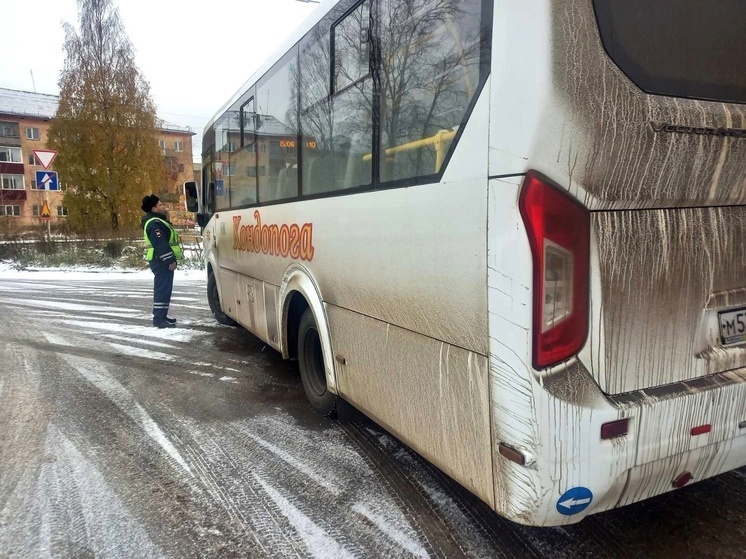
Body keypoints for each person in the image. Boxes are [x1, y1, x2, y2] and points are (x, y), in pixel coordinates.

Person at [141, 194, 183, 328]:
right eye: (160, 205)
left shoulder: (157, 221)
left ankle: (162, 316)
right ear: (154, 208)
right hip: (161, 261)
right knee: (162, 289)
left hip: (160, 260)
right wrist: (169, 260)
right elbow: (160, 244)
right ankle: (159, 319)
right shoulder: (155, 223)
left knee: (164, 289)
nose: (163, 206)